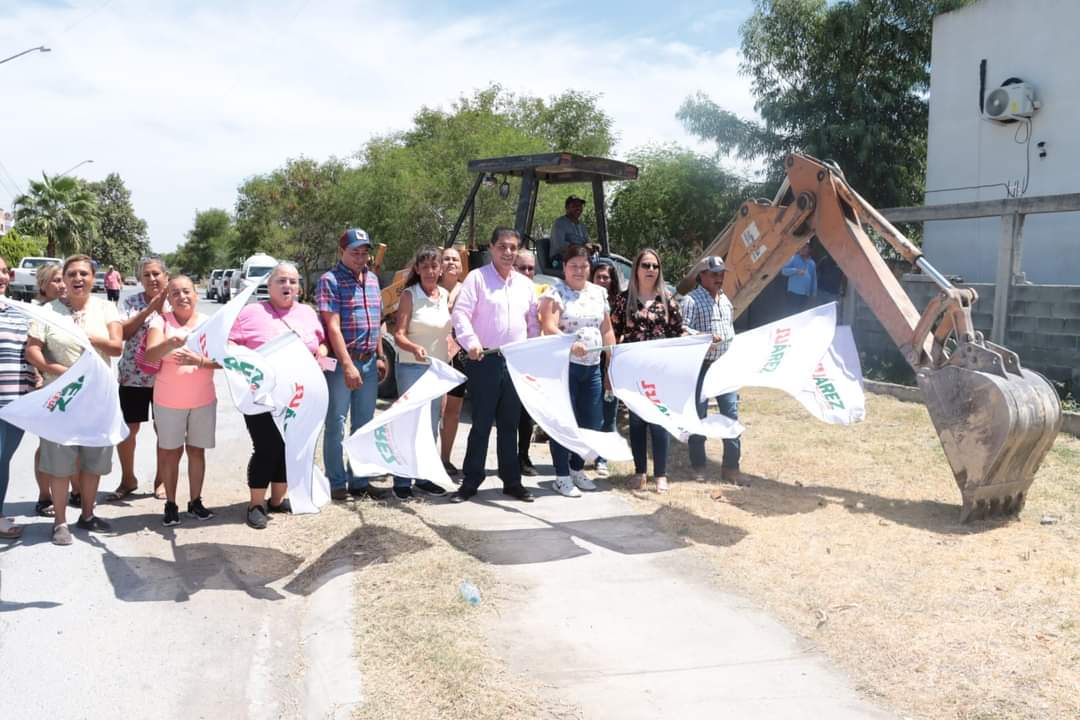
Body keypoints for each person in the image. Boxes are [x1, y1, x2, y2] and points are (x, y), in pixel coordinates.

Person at [26, 254, 123, 546]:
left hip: (97, 399)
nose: (78, 279)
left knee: (94, 459)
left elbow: (116, 347)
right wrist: (59, 371)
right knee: (58, 461)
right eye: (72, 274)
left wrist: (89, 337)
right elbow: (33, 351)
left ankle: (88, 514)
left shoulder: (106, 308)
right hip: (62, 398)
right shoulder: (47, 311)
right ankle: (59, 522)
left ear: (93, 278)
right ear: (64, 280)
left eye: (84, 273)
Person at [230, 262, 328, 529]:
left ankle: (277, 501)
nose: (288, 286)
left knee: (291, 444)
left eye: (293, 281)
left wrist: (321, 350)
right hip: (261, 396)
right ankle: (255, 505)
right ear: (269, 285)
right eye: (281, 281)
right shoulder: (251, 312)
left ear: (300, 287)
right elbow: (230, 344)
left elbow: (319, 341)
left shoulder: (307, 313)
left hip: (297, 394)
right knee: (267, 447)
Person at [449, 227, 539, 503]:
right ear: (491, 248)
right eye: (502, 247)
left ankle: (511, 481)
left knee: (510, 424)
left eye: (513, 247)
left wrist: (532, 350)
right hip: (484, 360)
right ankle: (471, 481)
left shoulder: (525, 285)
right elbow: (460, 315)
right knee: (481, 424)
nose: (508, 252)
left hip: (515, 362)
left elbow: (532, 323)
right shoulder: (477, 279)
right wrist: (471, 342)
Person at [539, 245, 616, 497]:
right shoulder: (556, 292)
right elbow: (549, 326)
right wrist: (572, 344)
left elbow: (606, 329)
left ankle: (576, 469)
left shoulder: (598, 293)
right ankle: (561, 476)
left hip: (592, 367)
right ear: (564, 267)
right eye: (573, 266)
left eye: (584, 266)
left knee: (592, 421)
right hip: (565, 368)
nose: (579, 270)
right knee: (564, 422)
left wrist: (611, 357)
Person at [318, 228, 389, 501]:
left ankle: (359, 480)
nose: (360, 258)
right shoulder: (330, 280)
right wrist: (347, 365)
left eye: (364, 252)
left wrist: (381, 356)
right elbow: (332, 327)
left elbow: (376, 322)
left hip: (369, 361)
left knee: (363, 424)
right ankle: (336, 482)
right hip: (341, 362)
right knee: (336, 422)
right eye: (354, 252)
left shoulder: (372, 280)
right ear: (341, 253)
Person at [143, 275, 217, 527]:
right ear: (169, 298)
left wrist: (200, 362)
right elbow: (150, 355)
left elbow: (224, 359)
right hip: (168, 402)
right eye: (175, 293)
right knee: (170, 454)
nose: (182, 297)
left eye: (186, 291)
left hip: (203, 400)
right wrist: (168, 343)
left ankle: (195, 501)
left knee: (197, 451)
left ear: (196, 294)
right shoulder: (160, 321)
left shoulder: (209, 323)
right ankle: (171, 504)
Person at [611, 249, 685, 494]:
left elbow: (678, 333)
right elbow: (611, 334)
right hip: (634, 371)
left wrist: (703, 339)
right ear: (636, 269)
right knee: (637, 422)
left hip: (659, 372)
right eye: (646, 265)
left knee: (659, 421)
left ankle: (661, 475)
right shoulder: (623, 300)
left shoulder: (668, 301)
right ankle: (640, 472)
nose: (651, 270)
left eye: (655, 266)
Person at [392, 245, 452, 500]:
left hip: (436, 370)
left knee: (429, 426)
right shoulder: (409, 295)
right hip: (411, 368)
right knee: (409, 425)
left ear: (440, 270)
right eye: (424, 266)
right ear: (417, 269)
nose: (429, 271)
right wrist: (414, 348)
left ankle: (425, 477)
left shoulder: (446, 294)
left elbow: (447, 332)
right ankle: (402, 481)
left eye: (434, 266)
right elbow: (398, 335)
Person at [109, 257, 168, 501]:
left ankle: (161, 480)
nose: (152, 279)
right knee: (128, 431)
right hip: (133, 376)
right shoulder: (130, 302)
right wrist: (149, 310)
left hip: (166, 378)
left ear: (166, 275)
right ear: (141, 279)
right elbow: (123, 334)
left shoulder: (176, 301)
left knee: (164, 431)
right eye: (147, 275)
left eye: (156, 274)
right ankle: (128, 479)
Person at [681, 256, 742, 485]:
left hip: (725, 365)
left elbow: (730, 328)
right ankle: (698, 466)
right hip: (701, 367)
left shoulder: (725, 300)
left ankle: (731, 467)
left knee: (731, 415)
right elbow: (682, 330)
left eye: (721, 273)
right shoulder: (691, 300)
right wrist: (705, 338)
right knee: (698, 416)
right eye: (714, 274)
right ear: (702, 275)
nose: (719, 278)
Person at [0, 257, 37, 539]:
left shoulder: (22, 313)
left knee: (3, 460)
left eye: (3, 271)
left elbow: (31, 355)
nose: (1, 276)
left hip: (16, 403)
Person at [30, 263, 66, 517]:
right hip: (45, 384)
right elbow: (31, 350)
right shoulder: (38, 311)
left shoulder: (70, 311)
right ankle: (45, 495)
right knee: (47, 445)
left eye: (63, 279)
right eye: (55, 280)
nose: (62, 284)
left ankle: (71, 491)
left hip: (70, 388)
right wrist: (39, 375)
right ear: (43, 285)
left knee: (69, 443)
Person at [512, 249, 544, 476]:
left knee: (526, 414)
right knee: (506, 415)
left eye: (530, 268)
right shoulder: (505, 289)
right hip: (508, 359)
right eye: (521, 267)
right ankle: (507, 459)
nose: (526, 272)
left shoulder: (541, 291)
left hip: (531, 359)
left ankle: (523, 456)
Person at [589, 258, 621, 478]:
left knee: (609, 411)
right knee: (590, 410)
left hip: (612, 362)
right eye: (598, 276)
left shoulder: (620, 303)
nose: (602, 280)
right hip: (589, 361)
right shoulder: (586, 300)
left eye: (606, 277)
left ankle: (603, 458)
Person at [439, 246, 465, 479]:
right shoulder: (429, 289)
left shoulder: (467, 290)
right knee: (434, 409)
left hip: (458, 356)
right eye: (446, 259)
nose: (451, 262)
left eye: (455, 259)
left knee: (452, 411)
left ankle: (445, 459)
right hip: (433, 354)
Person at [548, 195, 589, 266]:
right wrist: (582, 248)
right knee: (590, 267)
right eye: (575, 205)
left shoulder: (582, 225)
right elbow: (560, 246)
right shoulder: (560, 223)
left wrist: (592, 246)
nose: (578, 208)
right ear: (567, 208)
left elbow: (586, 241)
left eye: (580, 205)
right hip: (559, 259)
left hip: (579, 257)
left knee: (606, 262)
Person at [781, 242, 817, 314]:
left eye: (805, 247)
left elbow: (814, 279)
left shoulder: (812, 263)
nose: (802, 249)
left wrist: (813, 294)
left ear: (809, 249)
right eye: (801, 246)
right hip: (793, 293)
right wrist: (796, 270)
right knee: (792, 314)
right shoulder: (794, 258)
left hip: (805, 294)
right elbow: (784, 271)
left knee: (801, 314)